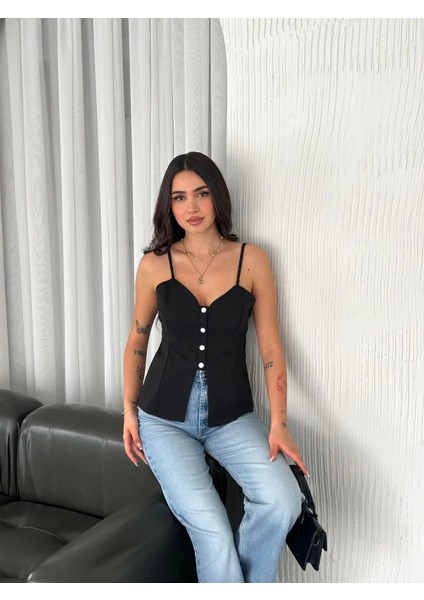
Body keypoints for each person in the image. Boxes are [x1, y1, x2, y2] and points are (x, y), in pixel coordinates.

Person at [122, 151, 307, 583]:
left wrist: (279, 423)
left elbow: (271, 348)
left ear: (217, 197)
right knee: (215, 538)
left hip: (230, 417)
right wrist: (129, 410)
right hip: (163, 421)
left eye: (201, 194)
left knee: (282, 500)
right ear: (169, 205)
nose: (192, 206)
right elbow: (137, 341)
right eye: (179, 197)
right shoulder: (154, 265)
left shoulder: (252, 260)